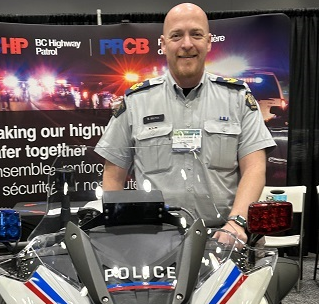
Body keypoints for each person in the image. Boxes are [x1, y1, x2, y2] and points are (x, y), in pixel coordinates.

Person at [94, 2, 276, 243]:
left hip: (225, 236)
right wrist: (116, 230)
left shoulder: (238, 97)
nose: (187, 44)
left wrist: (237, 222)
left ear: (209, 42)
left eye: (196, 34)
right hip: (154, 238)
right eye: (177, 35)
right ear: (163, 44)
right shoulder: (137, 101)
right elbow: (114, 172)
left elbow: (254, 167)